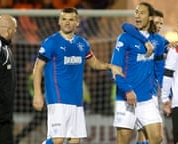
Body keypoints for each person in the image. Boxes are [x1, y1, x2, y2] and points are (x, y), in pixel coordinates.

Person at [32, 7, 124, 144]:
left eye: (71, 19)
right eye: (64, 19)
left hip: (76, 98)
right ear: (59, 21)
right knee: (58, 140)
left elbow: (94, 63)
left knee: (75, 140)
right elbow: (37, 68)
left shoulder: (82, 43)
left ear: (77, 22)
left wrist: (110, 66)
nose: (67, 22)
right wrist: (37, 94)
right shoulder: (51, 42)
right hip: (57, 97)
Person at [111, 2, 165, 144]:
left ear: (151, 17)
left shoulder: (158, 41)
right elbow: (115, 68)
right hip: (126, 97)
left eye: (142, 13)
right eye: (136, 12)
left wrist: (167, 93)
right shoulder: (125, 38)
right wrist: (127, 90)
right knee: (124, 139)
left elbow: (160, 69)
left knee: (157, 137)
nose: (137, 16)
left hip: (146, 97)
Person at [0, 14, 17, 144]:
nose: (16, 32)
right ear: (9, 29)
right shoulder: (0, 47)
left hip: (4, 115)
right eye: (15, 28)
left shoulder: (5, 47)